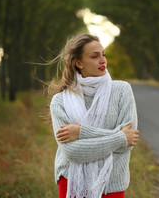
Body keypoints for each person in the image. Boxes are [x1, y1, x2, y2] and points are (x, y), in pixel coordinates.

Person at [48, 33, 139, 198]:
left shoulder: (122, 90)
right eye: (95, 56)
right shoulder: (60, 101)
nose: (103, 60)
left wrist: (81, 133)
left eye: (103, 54)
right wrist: (119, 137)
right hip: (72, 181)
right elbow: (72, 152)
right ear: (79, 62)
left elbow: (129, 142)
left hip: (111, 182)